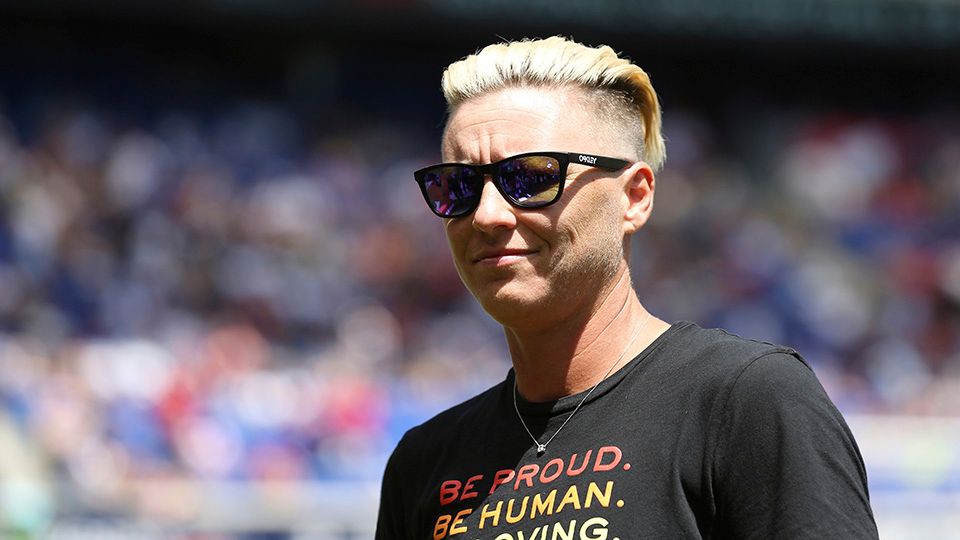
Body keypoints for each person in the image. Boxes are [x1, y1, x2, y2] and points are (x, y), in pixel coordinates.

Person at [378, 36, 878, 539]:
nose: (486, 215)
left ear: (634, 198)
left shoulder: (747, 399)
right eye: (457, 186)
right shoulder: (425, 462)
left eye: (531, 178)